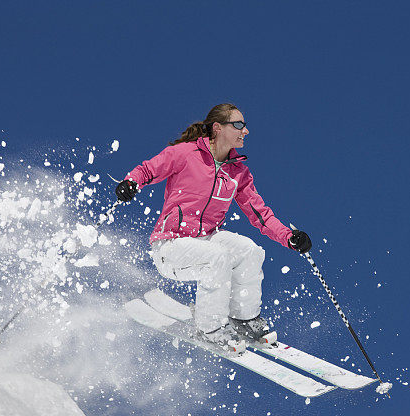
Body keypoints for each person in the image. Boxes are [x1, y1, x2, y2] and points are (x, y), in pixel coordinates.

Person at [115, 103, 311, 354]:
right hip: (171, 246)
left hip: (206, 239)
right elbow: (149, 169)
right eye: (238, 125)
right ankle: (210, 329)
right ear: (217, 128)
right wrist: (131, 183)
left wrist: (288, 237)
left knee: (249, 251)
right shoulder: (186, 153)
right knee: (218, 258)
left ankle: (244, 319)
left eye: (245, 126)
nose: (245, 131)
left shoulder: (237, 171)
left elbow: (259, 214)